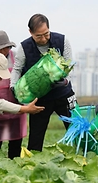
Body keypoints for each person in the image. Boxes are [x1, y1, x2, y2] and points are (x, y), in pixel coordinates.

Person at [10, 13, 77, 152]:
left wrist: (64, 81)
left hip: (63, 94)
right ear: (31, 33)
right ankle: (32, 164)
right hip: (39, 98)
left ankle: (81, 157)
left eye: (46, 34)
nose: (44, 39)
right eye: (38, 36)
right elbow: (17, 69)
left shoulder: (62, 41)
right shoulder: (24, 47)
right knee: (35, 137)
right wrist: (13, 87)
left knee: (76, 128)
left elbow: (69, 66)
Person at [0, 30, 27, 159]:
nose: (3, 52)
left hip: (16, 108)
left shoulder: (17, 59)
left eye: (5, 48)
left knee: (15, 146)